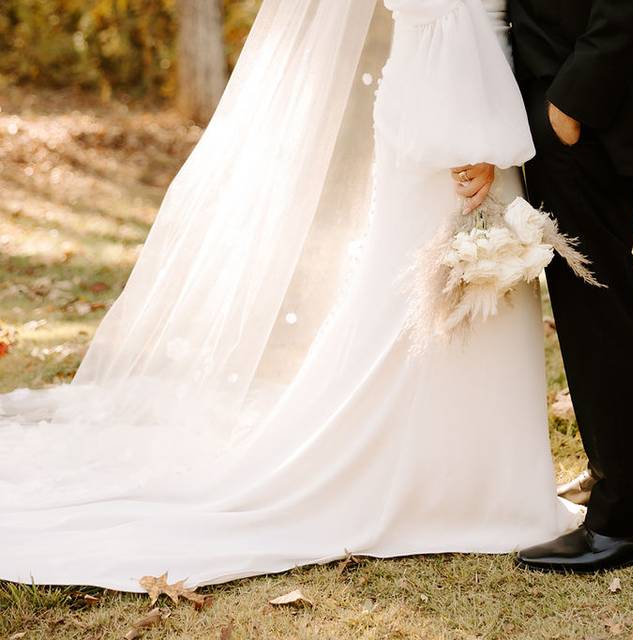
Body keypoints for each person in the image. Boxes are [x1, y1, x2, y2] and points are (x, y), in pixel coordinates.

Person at [0, 0, 581, 591]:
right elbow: (440, 17)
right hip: (453, 118)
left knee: (439, 296)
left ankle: (471, 482)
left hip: (444, 99)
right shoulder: (458, 97)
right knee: (442, 291)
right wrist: (471, 142)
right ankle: (461, 491)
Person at [509, 0, 633, 572]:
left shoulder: (574, 109)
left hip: (584, 115)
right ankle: (616, 476)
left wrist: (570, 102)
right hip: (559, 108)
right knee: (587, 312)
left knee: (598, 311)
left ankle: (631, 518)